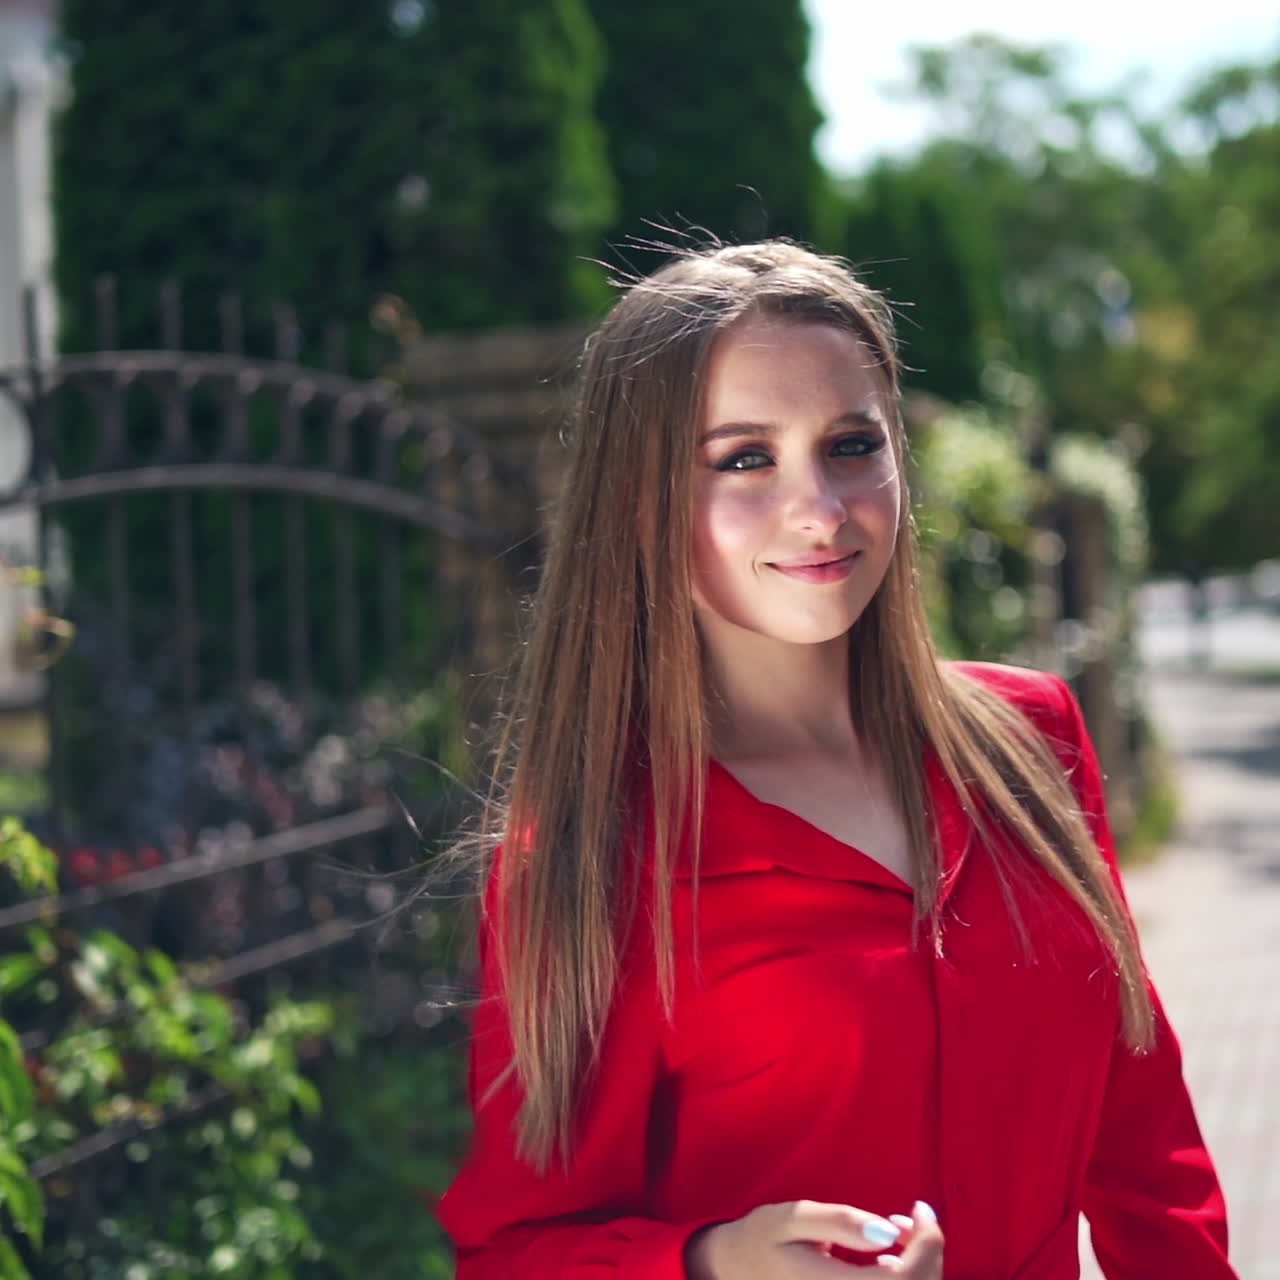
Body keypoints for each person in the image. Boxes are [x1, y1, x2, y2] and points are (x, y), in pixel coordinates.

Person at [434, 241, 1237, 1278]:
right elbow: (511, 1250)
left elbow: (1147, 1152)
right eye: (742, 457)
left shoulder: (1029, 737)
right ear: (638, 499)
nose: (817, 506)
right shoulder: (592, 848)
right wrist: (710, 1261)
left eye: (850, 444)